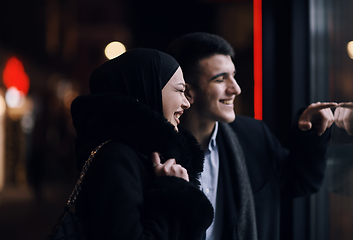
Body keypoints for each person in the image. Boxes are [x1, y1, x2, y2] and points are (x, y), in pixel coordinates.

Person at [166, 32, 338, 240]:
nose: (235, 88)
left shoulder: (253, 135)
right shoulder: (157, 151)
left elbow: (300, 181)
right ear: (188, 92)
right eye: (220, 79)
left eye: (233, 75)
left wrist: (310, 132)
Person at [70, 48, 213, 240]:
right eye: (180, 90)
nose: (186, 103)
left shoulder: (149, 155)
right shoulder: (115, 158)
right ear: (146, 89)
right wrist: (172, 191)